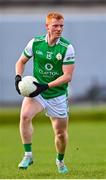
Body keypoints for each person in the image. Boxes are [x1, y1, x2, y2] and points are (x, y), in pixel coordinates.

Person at [15, 12, 75, 174]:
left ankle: (60, 161)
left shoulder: (66, 47)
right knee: (25, 116)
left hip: (57, 94)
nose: (59, 29)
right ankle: (28, 155)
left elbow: (67, 76)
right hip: (37, 92)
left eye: (61, 25)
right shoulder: (35, 43)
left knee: (61, 134)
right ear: (47, 26)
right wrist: (18, 77)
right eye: (55, 25)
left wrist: (46, 85)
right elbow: (21, 61)